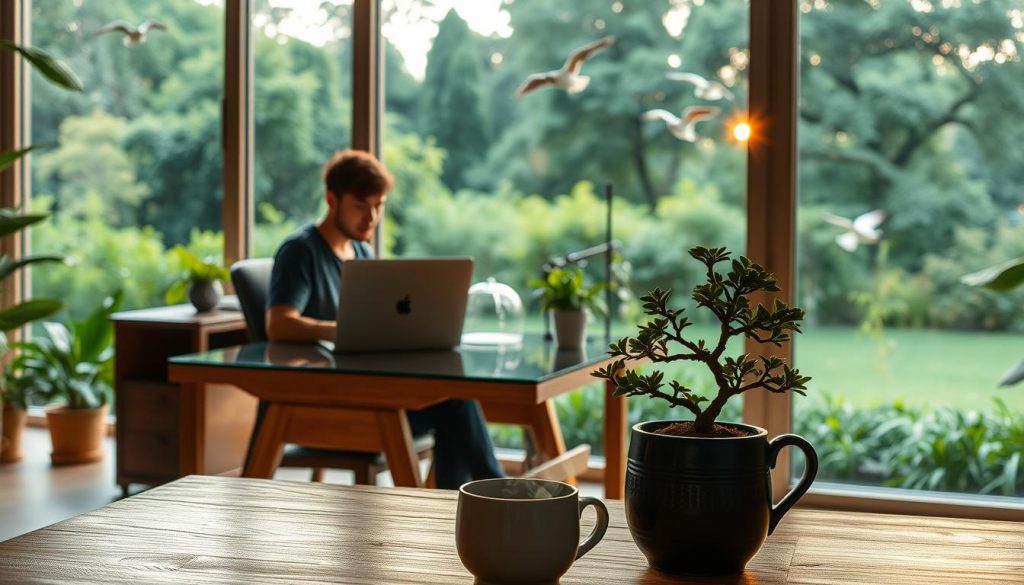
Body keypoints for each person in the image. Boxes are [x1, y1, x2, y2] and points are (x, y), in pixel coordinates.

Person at [265, 149, 505, 489]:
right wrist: (340, 331)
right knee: (456, 407)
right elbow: (279, 324)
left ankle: (461, 505)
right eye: (361, 205)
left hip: (364, 394)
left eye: (380, 205)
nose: (372, 216)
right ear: (332, 200)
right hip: (326, 409)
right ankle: (498, 491)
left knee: (453, 398)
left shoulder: (360, 252)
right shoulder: (300, 251)